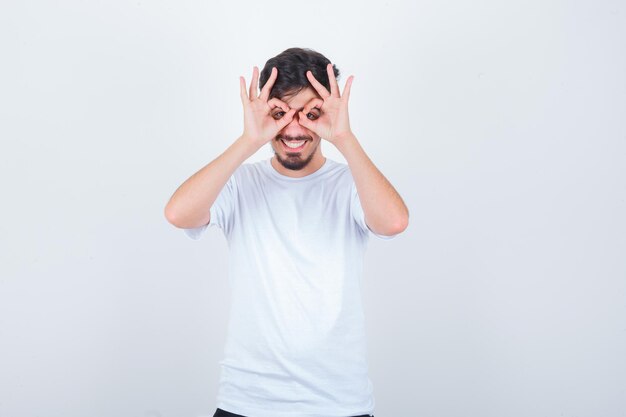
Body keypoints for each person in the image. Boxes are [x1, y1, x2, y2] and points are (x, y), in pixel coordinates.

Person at [164, 47, 409, 417]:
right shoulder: (241, 183)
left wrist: (345, 137)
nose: (294, 129)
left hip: (339, 403)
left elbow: (393, 222)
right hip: (247, 401)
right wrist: (249, 140)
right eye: (279, 113)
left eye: (311, 114)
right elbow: (178, 213)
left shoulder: (351, 184)